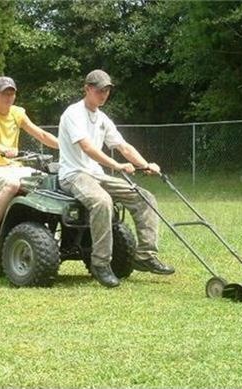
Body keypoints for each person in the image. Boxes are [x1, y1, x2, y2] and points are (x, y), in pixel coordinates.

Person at [58, 69, 175, 288]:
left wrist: (145, 164)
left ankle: (146, 255)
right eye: (100, 90)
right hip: (74, 174)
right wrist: (116, 165)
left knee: (144, 197)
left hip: (96, 174)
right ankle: (101, 264)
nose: (104, 94)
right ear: (87, 89)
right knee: (102, 201)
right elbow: (87, 147)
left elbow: (123, 146)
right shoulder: (73, 114)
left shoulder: (102, 118)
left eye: (107, 90)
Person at [0, 76, 58, 251]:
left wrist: (65, 145)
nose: (8, 97)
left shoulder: (18, 113)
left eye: (12, 93)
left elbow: (40, 134)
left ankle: (50, 230)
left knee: (50, 181)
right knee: (12, 184)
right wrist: (3, 149)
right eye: (4, 93)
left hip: (13, 168)